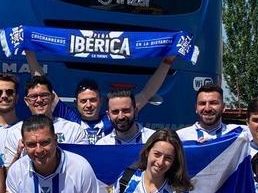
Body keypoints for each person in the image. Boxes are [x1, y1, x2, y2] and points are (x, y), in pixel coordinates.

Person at [27, 51, 175, 144]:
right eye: (83, 101)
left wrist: (167, 61)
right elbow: (43, 85)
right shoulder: (69, 117)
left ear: (101, 101)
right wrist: (29, 52)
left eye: (93, 100)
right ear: (75, 103)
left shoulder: (113, 117)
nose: (89, 105)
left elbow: (146, 93)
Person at [1, 115, 107, 193]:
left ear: (56, 140)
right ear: (24, 145)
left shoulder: (80, 168)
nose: (39, 150)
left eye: (44, 142)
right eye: (31, 144)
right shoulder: (16, 171)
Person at [108, 129, 217, 193]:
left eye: (168, 158)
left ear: (174, 161)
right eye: (157, 154)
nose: (160, 162)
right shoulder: (126, 179)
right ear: (147, 152)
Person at [2, 76, 86, 165]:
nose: (39, 100)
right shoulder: (14, 133)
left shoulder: (73, 130)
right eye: (33, 96)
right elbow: (9, 175)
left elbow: (84, 164)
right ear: (26, 101)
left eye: (44, 95)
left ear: (53, 97)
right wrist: (18, 154)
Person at [176, 83, 246, 143]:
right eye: (202, 103)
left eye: (213, 103)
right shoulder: (180, 137)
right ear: (196, 108)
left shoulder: (240, 133)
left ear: (223, 107)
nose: (207, 109)